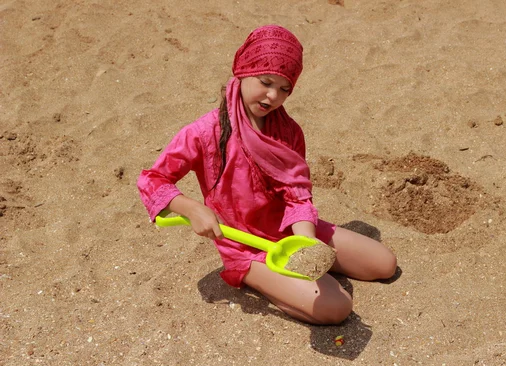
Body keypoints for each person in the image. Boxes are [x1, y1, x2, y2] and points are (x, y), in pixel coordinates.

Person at [137, 25, 397, 325]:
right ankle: (257, 278)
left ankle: (293, 277)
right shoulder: (203, 133)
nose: (272, 96)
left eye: (284, 89)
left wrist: (305, 245)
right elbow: (152, 180)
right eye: (265, 82)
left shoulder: (288, 131)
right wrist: (192, 208)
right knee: (338, 308)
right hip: (245, 244)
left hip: (290, 231)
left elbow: (297, 193)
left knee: (384, 264)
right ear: (244, 71)